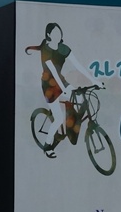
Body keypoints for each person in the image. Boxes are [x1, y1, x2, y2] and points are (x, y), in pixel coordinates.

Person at [23, 22, 101, 157]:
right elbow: (53, 70)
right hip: (49, 86)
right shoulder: (46, 50)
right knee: (58, 118)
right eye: (55, 33)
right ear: (48, 35)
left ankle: (70, 127)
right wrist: (63, 89)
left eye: (59, 33)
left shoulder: (63, 48)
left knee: (81, 98)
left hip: (61, 80)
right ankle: (48, 146)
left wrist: (94, 81)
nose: (58, 35)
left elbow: (78, 65)